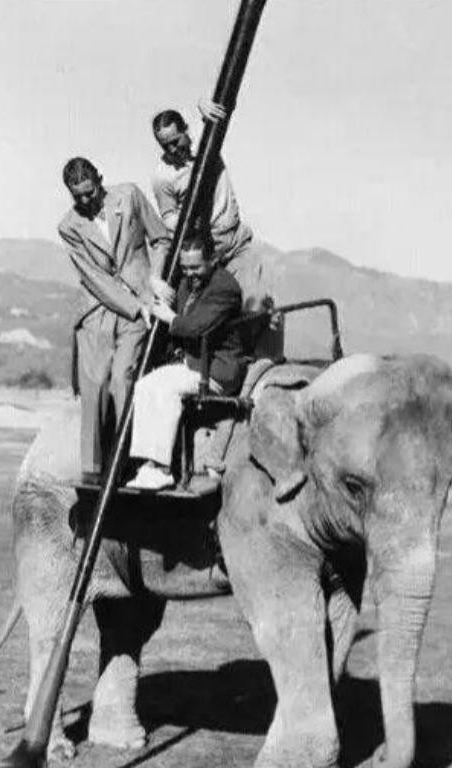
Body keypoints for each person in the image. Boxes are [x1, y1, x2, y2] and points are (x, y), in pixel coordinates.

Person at [58, 156, 172, 484]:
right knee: (94, 383)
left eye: (90, 192)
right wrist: (133, 306)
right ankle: (93, 470)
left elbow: (161, 239)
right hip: (100, 305)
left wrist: (154, 283)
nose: (85, 201)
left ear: (100, 179)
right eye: (77, 196)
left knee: (123, 377)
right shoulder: (69, 226)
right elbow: (94, 277)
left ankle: (127, 461)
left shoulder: (130, 196)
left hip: (142, 301)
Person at [151, 101, 284, 357]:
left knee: (256, 304)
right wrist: (187, 221)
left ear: (185, 130)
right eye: (165, 145)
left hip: (236, 242)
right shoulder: (162, 176)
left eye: (175, 141)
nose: (172, 149)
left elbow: (215, 114)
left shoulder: (206, 141)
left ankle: (261, 363)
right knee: (206, 316)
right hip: (205, 256)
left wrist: (204, 106)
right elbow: (167, 216)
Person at [126, 234, 246, 491]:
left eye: (195, 267)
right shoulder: (189, 283)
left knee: (165, 389)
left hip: (215, 370)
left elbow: (196, 327)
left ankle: (162, 468)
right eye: (185, 268)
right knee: (144, 385)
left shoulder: (225, 288)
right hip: (193, 363)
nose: (190, 274)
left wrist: (169, 317)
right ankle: (149, 462)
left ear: (212, 260)